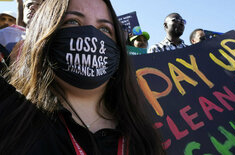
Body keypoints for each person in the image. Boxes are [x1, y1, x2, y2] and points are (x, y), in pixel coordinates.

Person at [0, 0, 165, 154]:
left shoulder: (144, 139)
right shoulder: (10, 115)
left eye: (105, 29)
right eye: (73, 22)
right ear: (45, 30)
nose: (91, 35)